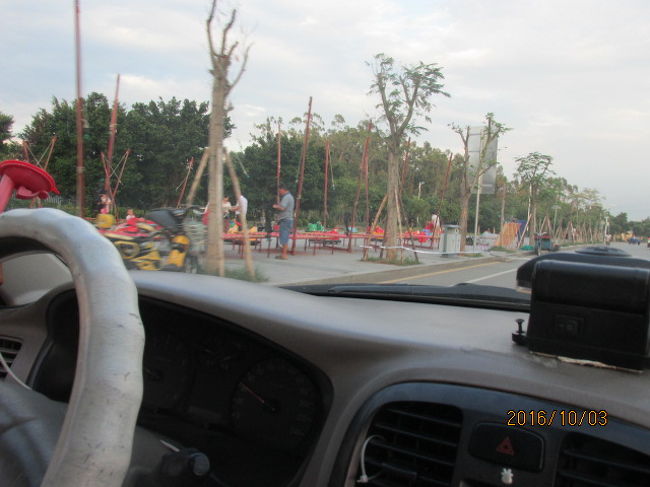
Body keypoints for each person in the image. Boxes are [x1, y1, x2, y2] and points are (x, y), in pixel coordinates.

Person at [272, 183, 294, 260]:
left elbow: (282, 208)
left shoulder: (287, 197)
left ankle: (284, 255)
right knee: (284, 236)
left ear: (283, 189)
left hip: (286, 219)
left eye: (279, 190)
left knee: (284, 237)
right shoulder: (289, 196)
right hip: (287, 219)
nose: (279, 192)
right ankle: (283, 254)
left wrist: (275, 206)